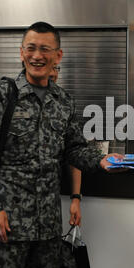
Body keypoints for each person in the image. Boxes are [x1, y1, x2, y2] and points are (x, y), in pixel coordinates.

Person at [0, 21, 116, 268]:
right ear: (21, 52)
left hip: (47, 229)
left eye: (45, 49)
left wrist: (102, 161)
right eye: (31, 48)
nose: (37, 56)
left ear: (58, 55)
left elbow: (74, 148)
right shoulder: (2, 95)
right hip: (7, 227)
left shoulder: (63, 101)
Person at [48, 65, 82, 227]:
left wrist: (76, 198)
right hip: (11, 216)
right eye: (49, 67)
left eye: (56, 68)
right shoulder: (9, 97)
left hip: (49, 216)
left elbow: (74, 152)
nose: (53, 73)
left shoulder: (64, 103)